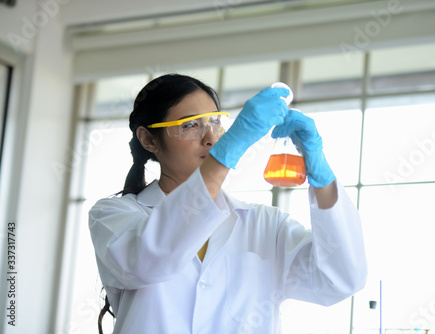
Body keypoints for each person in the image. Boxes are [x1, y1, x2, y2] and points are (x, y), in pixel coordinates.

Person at [89, 73, 367, 334]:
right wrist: (229, 149)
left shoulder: (264, 225)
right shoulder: (114, 216)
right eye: (190, 125)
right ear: (149, 139)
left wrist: (322, 179)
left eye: (214, 122)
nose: (210, 137)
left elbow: (340, 280)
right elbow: (149, 261)